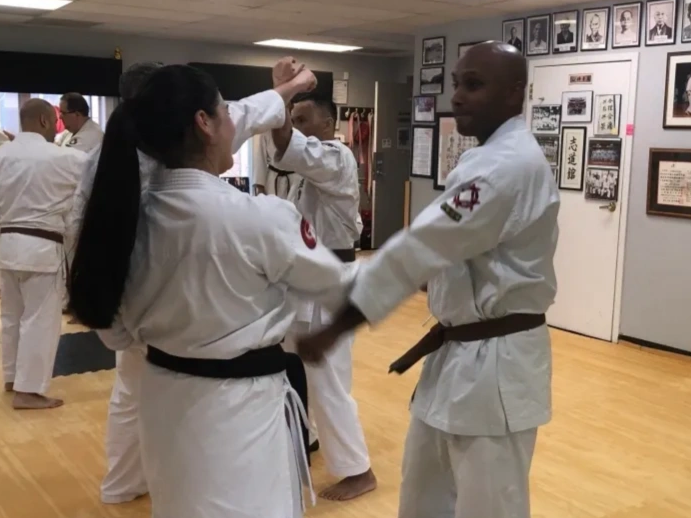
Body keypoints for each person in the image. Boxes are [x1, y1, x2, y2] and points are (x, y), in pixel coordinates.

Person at [68, 63, 356, 518]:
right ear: (204, 123)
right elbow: (339, 287)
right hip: (241, 409)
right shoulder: (260, 217)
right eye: (224, 111)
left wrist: (287, 89)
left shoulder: (121, 219)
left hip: (163, 392)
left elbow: (116, 332)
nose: (233, 121)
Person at [297, 41, 560, 518]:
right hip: (456, 354)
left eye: (473, 85)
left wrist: (337, 326)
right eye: (456, 83)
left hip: (496, 366)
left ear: (514, 92)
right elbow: (449, 248)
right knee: (422, 497)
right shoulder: (486, 158)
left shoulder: (506, 166)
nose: (456, 96)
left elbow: (419, 248)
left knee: (489, 506)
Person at [65, 61, 163, 505]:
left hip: (121, 293)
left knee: (130, 391)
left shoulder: (98, 158)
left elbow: (76, 230)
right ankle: (158, 485)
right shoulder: (160, 158)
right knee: (162, 393)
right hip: (151, 296)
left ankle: (124, 484)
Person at [272, 91, 376, 501]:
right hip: (305, 279)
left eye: (302, 119)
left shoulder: (336, 157)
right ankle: (309, 436)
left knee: (329, 379)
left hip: (330, 280)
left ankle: (358, 470)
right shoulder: (309, 170)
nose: (295, 126)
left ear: (328, 125)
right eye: (292, 118)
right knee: (293, 363)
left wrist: (277, 95)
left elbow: (287, 146)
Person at [0, 99, 87, 410]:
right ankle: (29, 390)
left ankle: (11, 377)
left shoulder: (2, 155)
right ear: (43, 121)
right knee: (40, 320)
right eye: (55, 120)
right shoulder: (64, 158)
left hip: (4, 247)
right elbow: (94, 176)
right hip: (40, 248)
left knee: (10, 316)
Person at [252, 130, 299, 198]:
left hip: (295, 179)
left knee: (293, 206)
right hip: (272, 179)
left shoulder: (297, 130)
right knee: (272, 206)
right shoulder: (266, 131)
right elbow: (260, 159)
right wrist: (260, 187)